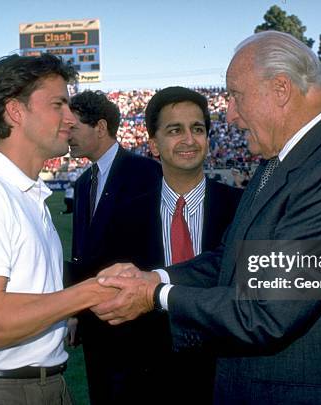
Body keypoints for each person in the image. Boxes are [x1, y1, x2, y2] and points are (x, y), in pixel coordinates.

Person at [93, 31, 321, 404]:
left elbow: (267, 312)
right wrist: (157, 275)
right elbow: (231, 258)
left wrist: (156, 296)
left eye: (236, 96)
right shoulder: (284, 163)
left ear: (280, 89)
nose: (230, 114)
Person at [0, 54, 116, 404]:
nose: (70, 118)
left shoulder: (26, 195)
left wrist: (61, 320)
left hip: (40, 385)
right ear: (16, 111)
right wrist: (89, 293)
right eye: (58, 104)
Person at [100, 86, 242, 404]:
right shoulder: (122, 216)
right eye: (175, 130)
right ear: (153, 144)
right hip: (150, 380)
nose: (189, 140)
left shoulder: (242, 208)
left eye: (198, 129)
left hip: (227, 374)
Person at [63, 90, 162, 405]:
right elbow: (81, 252)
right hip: (94, 324)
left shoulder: (148, 173)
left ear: (101, 127)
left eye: (73, 129)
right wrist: (76, 313)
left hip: (138, 322)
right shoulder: (81, 184)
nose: (67, 137)